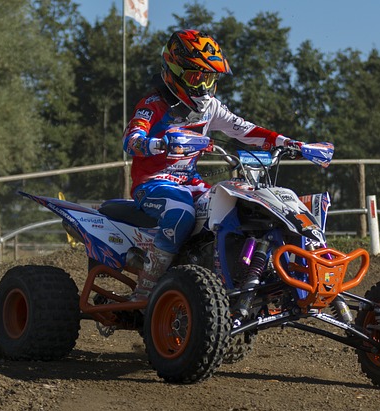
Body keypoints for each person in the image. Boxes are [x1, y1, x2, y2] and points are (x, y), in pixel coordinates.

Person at [122, 29, 307, 301]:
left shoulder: (210, 108)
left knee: (234, 204)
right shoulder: (153, 105)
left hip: (190, 183)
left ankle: (233, 277)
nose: (204, 87)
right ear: (174, 72)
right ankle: (146, 289)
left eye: (209, 78)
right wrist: (157, 144)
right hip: (153, 184)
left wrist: (289, 142)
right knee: (182, 214)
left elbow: (244, 129)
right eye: (197, 77)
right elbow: (131, 139)